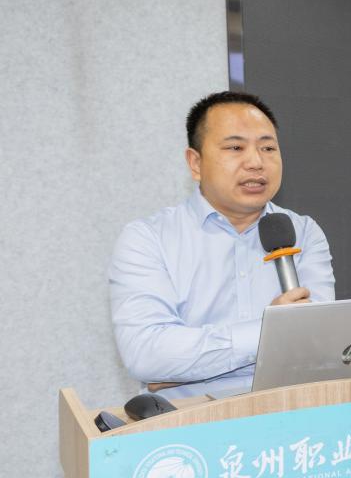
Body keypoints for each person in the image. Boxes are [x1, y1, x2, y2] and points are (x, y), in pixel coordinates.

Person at [109, 91, 336, 400]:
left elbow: (318, 348)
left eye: (268, 148)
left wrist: (185, 370)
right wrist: (268, 331)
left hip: (290, 411)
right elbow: (147, 355)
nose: (256, 162)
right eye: (235, 147)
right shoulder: (148, 239)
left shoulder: (304, 232)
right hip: (191, 421)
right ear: (195, 163)